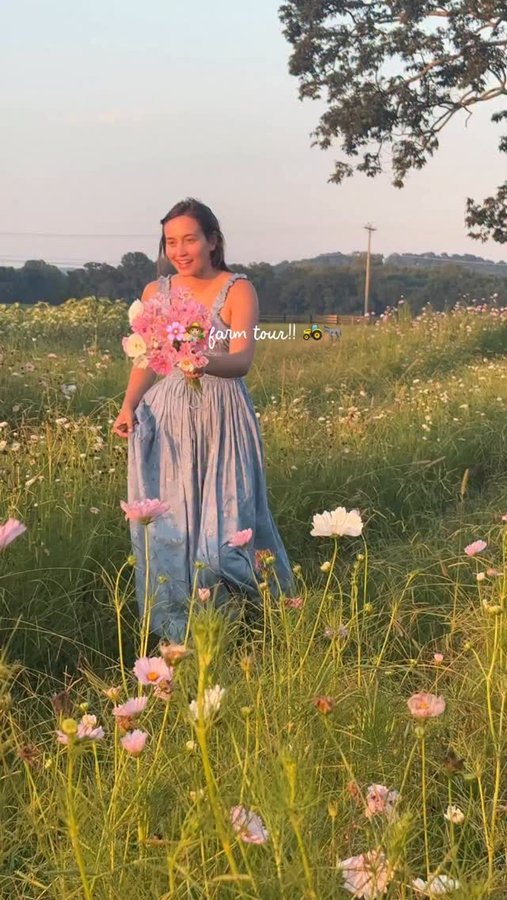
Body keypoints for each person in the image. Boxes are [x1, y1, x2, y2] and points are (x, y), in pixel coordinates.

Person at [112, 198, 296, 642]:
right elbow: (145, 359)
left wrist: (201, 359)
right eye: (171, 241)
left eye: (190, 239)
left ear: (213, 241)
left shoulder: (237, 290)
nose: (180, 249)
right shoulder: (156, 293)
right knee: (174, 529)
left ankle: (265, 623)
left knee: (225, 538)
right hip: (170, 417)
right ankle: (186, 634)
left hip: (222, 415)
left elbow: (241, 360)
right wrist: (128, 404)